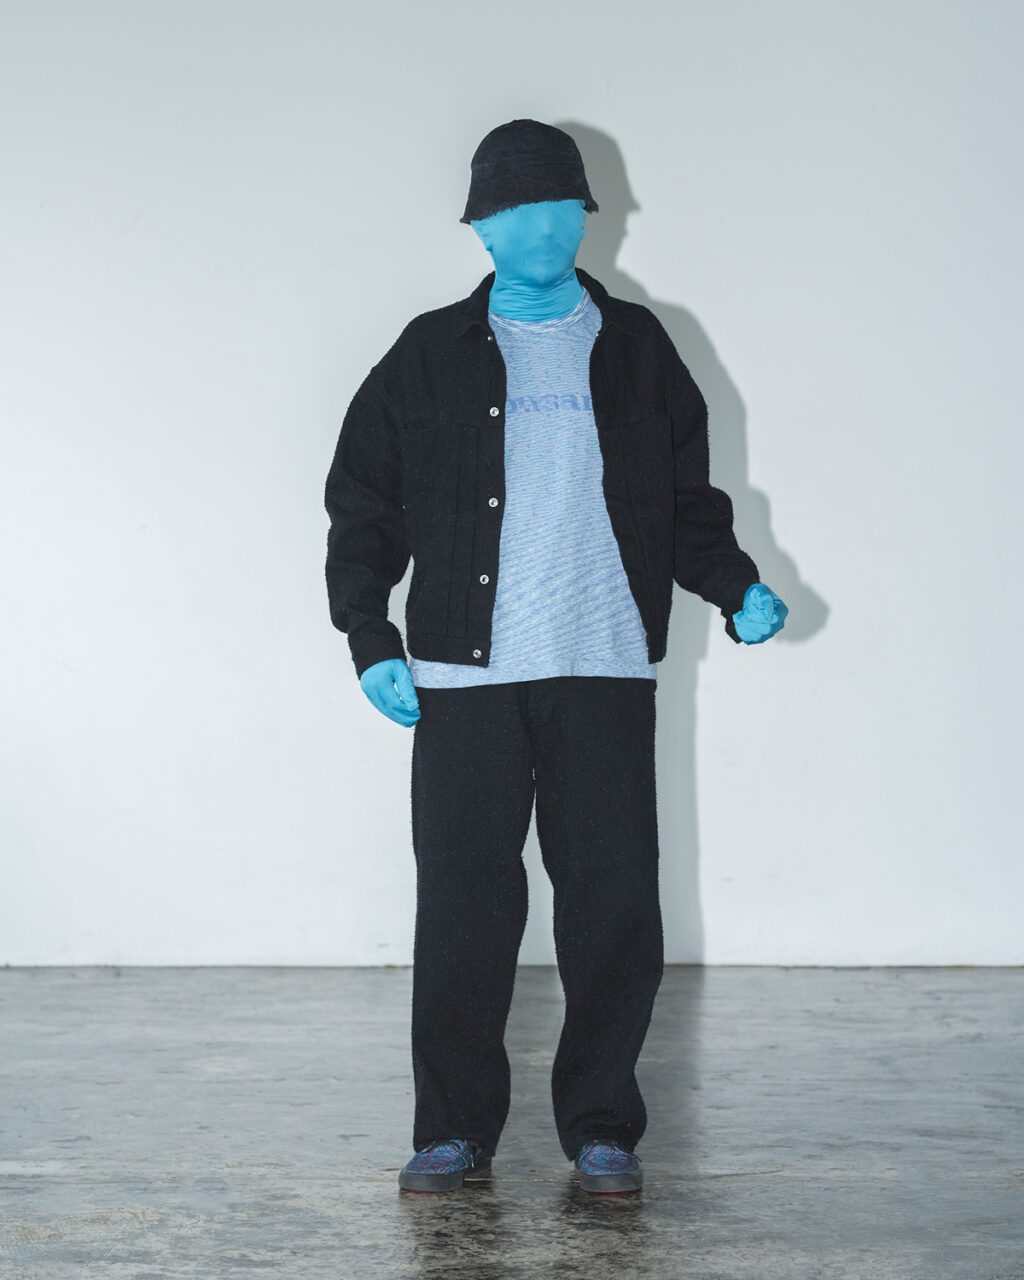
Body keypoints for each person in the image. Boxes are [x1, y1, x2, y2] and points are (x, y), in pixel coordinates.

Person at [323, 119, 788, 1195]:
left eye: (560, 209)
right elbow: (362, 507)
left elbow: (688, 499)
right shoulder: (425, 353)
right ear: (481, 228)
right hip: (461, 679)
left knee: (613, 904)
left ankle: (602, 1125)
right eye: (517, 212)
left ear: (586, 218)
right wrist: (368, 638)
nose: (542, 229)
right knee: (464, 911)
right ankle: (452, 1129)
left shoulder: (639, 346)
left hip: (603, 665)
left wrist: (734, 586)